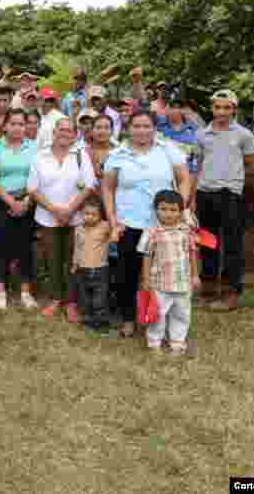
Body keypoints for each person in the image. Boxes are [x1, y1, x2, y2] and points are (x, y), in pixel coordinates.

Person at [102, 111, 191, 337]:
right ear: (128, 129)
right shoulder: (117, 154)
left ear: (154, 128)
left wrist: (179, 210)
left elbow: (184, 178)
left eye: (147, 126)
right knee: (127, 273)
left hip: (162, 225)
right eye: (137, 126)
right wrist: (113, 219)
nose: (142, 131)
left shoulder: (167, 149)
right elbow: (108, 187)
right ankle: (128, 319)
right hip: (128, 223)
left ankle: (163, 319)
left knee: (163, 273)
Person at [195, 89, 254, 310]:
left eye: (227, 107)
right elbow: (199, 164)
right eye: (217, 107)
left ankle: (231, 292)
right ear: (212, 108)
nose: (221, 111)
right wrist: (194, 193)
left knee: (233, 244)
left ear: (234, 109)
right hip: (205, 192)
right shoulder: (202, 135)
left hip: (231, 193)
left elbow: (251, 167)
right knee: (207, 241)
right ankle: (209, 286)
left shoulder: (244, 135)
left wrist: (247, 195)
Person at [27, 118, 97, 320]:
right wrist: (55, 211)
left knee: (72, 261)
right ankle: (56, 298)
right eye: (61, 129)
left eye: (69, 130)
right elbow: (33, 188)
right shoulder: (40, 156)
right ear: (54, 132)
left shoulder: (81, 155)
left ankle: (71, 301)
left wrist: (69, 210)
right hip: (48, 218)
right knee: (53, 260)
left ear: (75, 135)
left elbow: (90, 186)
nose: (65, 133)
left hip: (75, 219)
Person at [0, 109, 39, 310]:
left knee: (25, 248)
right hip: (2, 202)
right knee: (0, 247)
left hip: (27, 203)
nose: (18, 128)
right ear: (5, 125)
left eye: (22, 124)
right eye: (13, 123)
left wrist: (25, 201)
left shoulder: (33, 147)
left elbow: (37, 177)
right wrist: (10, 202)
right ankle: (0, 291)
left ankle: (25, 292)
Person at [139, 190, 200, 355]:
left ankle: (177, 342)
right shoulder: (151, 232)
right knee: (158, 314)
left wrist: (195, 275)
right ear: (156, 210)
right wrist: (146, 279)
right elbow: (146, 256)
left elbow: (192, 252)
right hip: (160, 283)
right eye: (163, 209)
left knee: (181, 313)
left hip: (182, 282)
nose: (168, 214)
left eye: (173, 210)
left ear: (180, 212)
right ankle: (154, 342)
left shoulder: (186, 231)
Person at [72, 197, 112, 331]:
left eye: (94, 214)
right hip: (83, 269)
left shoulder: (105, 226)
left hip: (100, 269)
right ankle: (87, 321)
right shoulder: (78, 229)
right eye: (86, 214)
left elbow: (115, 232)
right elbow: (77, 248)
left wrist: (117, 228)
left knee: (100, 299)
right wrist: (75, 263)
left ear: (101, 215)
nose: (89, 217)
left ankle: (101, 323)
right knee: (84, 298)